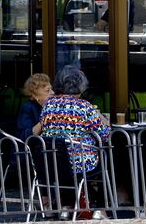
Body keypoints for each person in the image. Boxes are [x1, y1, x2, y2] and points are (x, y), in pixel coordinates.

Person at [38, 65, 110, 218]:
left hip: (52, 164)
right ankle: (100, 207)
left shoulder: (47, 106)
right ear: (81, 86)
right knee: (108, 160)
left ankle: (68, 205)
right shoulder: (84, 107)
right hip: (79, 163)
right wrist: (102, 118)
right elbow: (104, 135)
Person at [16, 73, 54, 141]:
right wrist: (44, 120)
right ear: (35, 94)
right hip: (29, 149)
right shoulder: (27, 107)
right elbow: (26, 135)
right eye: (48, 90)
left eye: (51, 89)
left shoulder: (50, 106)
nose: (52, 92)